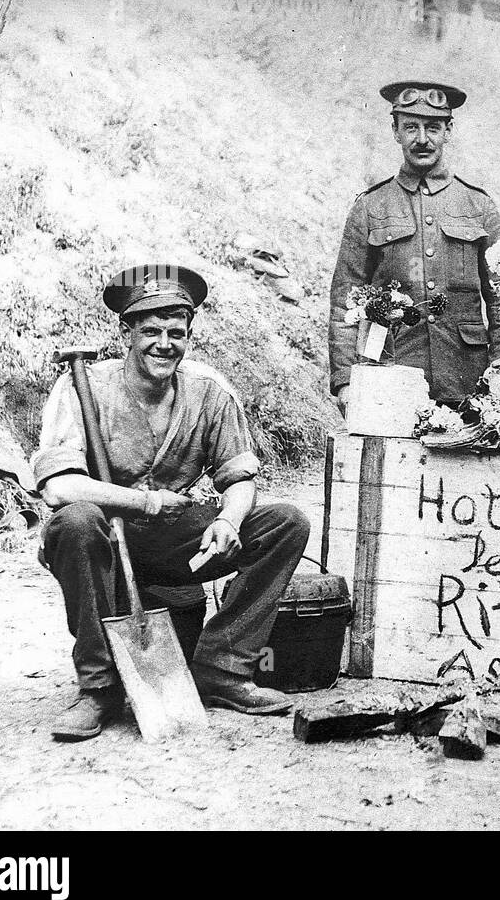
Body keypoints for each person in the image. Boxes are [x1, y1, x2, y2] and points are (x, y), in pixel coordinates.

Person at [34, 264, 310, 740]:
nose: (165, 344)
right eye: (151, 331)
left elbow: (240, 477)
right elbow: (59, 487)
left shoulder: (210, 393)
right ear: (125, 333)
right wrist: (144, 503)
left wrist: (227, 519)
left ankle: (222, 667)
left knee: (285, 522)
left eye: (176, 333)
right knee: (75, 521)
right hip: (100, 547)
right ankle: (98, 688)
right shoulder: (82, 387)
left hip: (178, 543)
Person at [328, 80, 500, 408]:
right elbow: (345, 300)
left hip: (468, 379)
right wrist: (345, 381)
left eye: (433, 127)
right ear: (395, 131)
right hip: (391, 373)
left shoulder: (479, 207)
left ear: (448, 131)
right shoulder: (370, 206)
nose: (422, 139)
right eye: (411, 127)